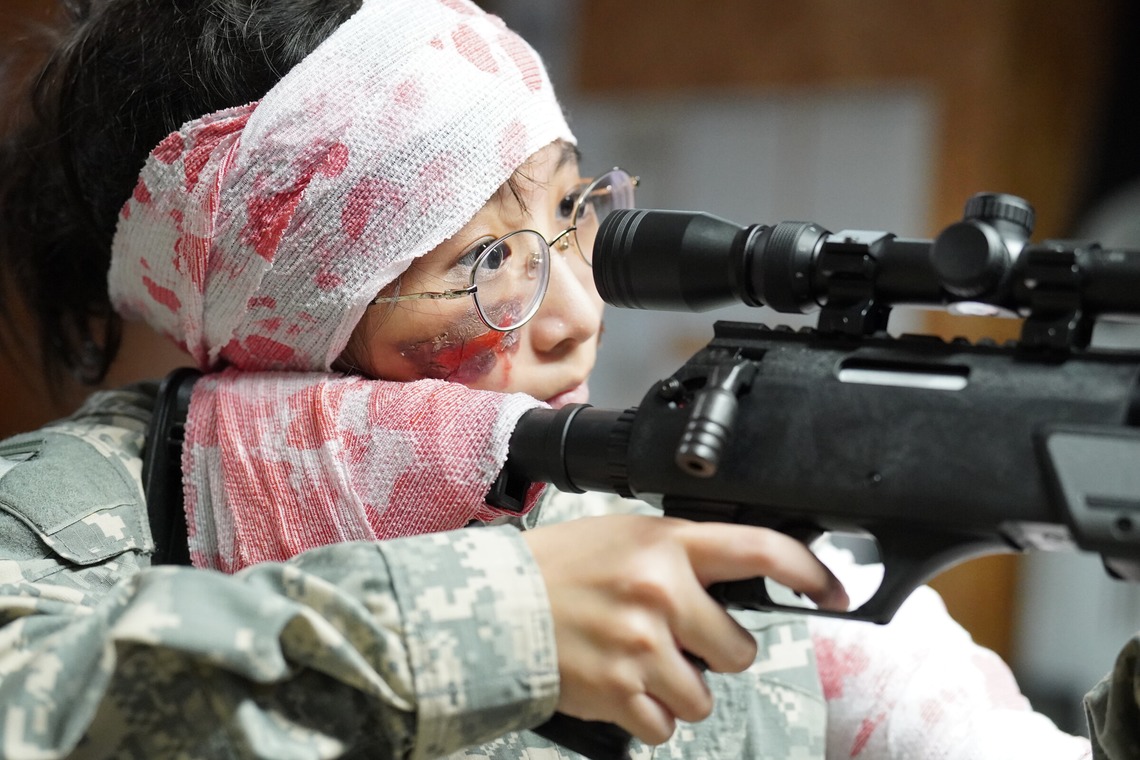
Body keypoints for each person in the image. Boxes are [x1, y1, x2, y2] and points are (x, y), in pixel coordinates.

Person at [0, 1, 1112, 758]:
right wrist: (497, 624)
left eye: (574, 214)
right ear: (289, 319)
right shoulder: (56, 518)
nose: (580, 313)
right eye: (482, 264)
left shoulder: (694, 535)